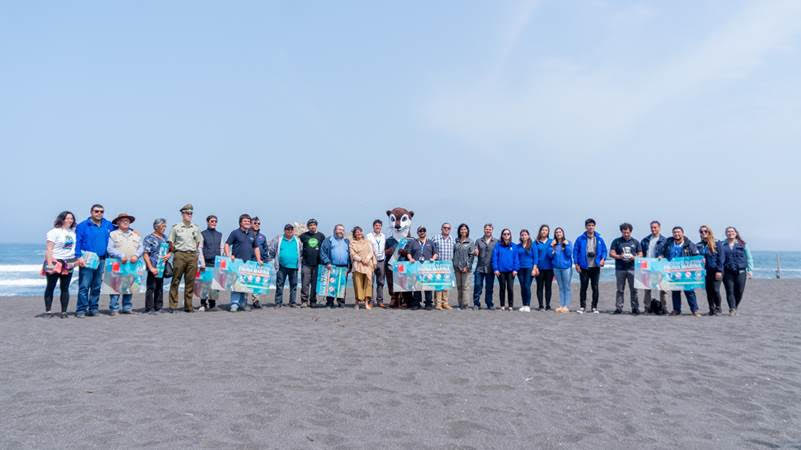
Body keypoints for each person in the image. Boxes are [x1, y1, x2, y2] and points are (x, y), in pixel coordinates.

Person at [74, 204, 115, 318]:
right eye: (96, 211)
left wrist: (133, 230)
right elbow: (77, 242)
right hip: (87, 259)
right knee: (84, 286)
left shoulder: (107, 224)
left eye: (101, 211)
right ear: (91, 212)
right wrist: (78, 257)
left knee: (97, 286)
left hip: (102, 259)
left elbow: (119, 229)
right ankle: (81, 309)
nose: (99, 213)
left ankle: (93, 308)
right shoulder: (82, 226)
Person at [43, 211, 82, 318]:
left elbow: (75, 249)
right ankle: (48, 311)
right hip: (55, 261)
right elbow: (49, 249)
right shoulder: (54, 232)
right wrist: (50, 264)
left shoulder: (73, 233)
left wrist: (75, 262)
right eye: (67, 218)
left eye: (71, 218)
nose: (70, 220)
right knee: (50, 287)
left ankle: (64, 312)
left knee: (65, 288)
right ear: (62, 219)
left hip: (68, 262)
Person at [168, 204, 204, 313]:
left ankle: (188, 306)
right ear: (182, 214)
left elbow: (198, 242)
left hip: (192, 255)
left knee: (190, 282)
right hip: (179, 255)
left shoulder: (195, 228)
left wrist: (192, 251)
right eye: (187, 213)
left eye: (191, 213)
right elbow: (171, 242)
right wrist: (177, 252)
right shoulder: (176, 227)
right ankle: (173, 306)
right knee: (176, 280)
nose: (189, 215)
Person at [106, 213, 144, 316]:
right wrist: (120, 255)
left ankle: (127, 307)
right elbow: (109, 249)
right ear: (118, 222)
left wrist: (136, 255)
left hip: (132, 263)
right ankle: (114, 309)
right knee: (115, 287)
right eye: (123, 220)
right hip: (116, 263)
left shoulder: (135, 235)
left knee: (129, 286)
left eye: (127, 220)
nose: (126, 221)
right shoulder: (113, 234)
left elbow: (141, 248)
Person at [224, 214, 263, 312]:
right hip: (236, 262)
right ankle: (234, 304)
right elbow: (227, 244)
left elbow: (256, 247)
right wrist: (229, 255)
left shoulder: (252, 234)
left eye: (249, 221)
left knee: (245, 285)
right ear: (240, 222)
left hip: (248, 263)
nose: (247, 223)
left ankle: (243, 303)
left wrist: (258, 259)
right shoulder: (235, 233)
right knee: (236, 284)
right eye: (245, 221)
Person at [661, 226, 702, 317]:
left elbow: (696, 256)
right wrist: (661, 256)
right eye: (675, 232)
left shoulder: (689, 244)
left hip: (686, 272)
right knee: (675, 291)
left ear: (682, 233)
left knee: (689, 291)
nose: (676, 234)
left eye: (678, 232)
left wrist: (700, 261)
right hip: (673, 271)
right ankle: (676, 310)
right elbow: (663, 253)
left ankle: (694, 310)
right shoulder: (668, 244)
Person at [573, 218, 607, 314]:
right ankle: (582, 307)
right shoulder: (580, 239)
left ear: (594, 226)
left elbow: (604, 251)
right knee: (583, 287)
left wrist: (603, 259)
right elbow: (575, 251)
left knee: (595, 287)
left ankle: (594, 307)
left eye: (592, 225)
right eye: (589, 225)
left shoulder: (599, 238)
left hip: (595, 267)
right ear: (586, 227)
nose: (590, 227)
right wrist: (576, 264)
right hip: (584, 267)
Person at [719, 226, 753, 316]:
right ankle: (732, 308)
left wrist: (750, 270)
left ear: (736, 233)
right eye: (728, 231)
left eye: (732, 231)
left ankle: (735, 306)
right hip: (727, 272)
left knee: (739, 291)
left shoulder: (742, 244)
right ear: (726, 234)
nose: (730, 233)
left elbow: (749, 258)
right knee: (729, 291)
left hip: (741, 271)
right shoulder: (722, 244)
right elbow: (719, 258)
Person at [610, 223, 643, 314]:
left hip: (632, 268)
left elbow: (640, 254)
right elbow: (611, 253)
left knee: (634, 290)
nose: (626, 234)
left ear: (631, 231)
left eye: (628, 232)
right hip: (620, 269)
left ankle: (635, 308)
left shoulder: (635, 242)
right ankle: (619, 308)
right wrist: (619, 256)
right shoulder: (616, 241)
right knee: (620, 290)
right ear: (621, 231)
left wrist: (634, 257)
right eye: (624, 232)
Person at [403, 226, 438, 310]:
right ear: (417, 232)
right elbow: (408, 252)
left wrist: (433, 258)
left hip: (427, 267)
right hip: (416, 267)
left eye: (423, 230)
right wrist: (410, 258)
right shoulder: (413, 242)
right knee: (416, 285)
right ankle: (416, 303)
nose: (422, 232)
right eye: (420, 231)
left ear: (426, 232)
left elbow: (436, 253)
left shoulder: (430, 242)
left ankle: (428, 303)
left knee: (428, 286)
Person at [143, 218, 171, 314]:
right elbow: (145, 254)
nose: (164, 228)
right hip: (153, 266)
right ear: (156, 226)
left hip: (162, 267)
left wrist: (169, 254)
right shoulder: (149, 238)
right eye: (163, 226)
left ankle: (158, 307)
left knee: (160, 287)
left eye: (165, 226)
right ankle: (149, 309)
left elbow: (171, 249)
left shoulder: (165, 238)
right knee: (151, 287)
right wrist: (150, 267)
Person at [640, 221, 668, 314]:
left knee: (663, 288)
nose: (653, 229)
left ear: (659, 228)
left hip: (660, 267)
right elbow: (641, 253)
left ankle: (664, 308)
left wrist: (662, 256)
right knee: (647, 289)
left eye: (655, 227)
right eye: (652, 227)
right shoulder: (645, 240)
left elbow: (668, 253)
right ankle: (647, 308)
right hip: (648, 267)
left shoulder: (665, 240)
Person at [320, 224, 351, 308]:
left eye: (342, 230)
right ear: (335, 230)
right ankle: (330, 302)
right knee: (331, 284)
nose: (341, 231)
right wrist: (327, 262)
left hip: (344, 266)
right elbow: (322, 252)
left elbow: (350, 254)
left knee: (342, 285)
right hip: (332, 266)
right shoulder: (328, 240)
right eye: (339, 229)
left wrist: (349, 266)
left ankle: (341, 302)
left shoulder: (347, 241)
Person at [274, 224, 302, 307]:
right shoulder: (279, 239)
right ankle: (278, 302)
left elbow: (301, 251)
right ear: (284, 230)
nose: (289, 231)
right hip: (281, 266)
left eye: (291, 230)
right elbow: (272, 250)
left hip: (294, 266)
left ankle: (292, 302)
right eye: (287, 229)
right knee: (279, 285)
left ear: (293, 231)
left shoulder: (297, 240)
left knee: (293, 285)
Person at [697, 225, 723, 316]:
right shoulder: (699, 245)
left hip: (716, 270)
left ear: (709, 232)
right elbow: (695, 256)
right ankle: (711, 309)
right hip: (705, 272)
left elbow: (721, 257)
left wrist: (719, 270)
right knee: (709, 291)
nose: (703, 233)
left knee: (715, 290)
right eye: (701, 231)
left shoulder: (717, 243)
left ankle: (718, 308)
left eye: (705, 231)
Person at [300, 218, 325, 308]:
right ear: (308, 227)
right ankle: (304, 301)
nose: (312, 227)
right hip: (306, 264)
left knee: (315, 284)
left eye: (314, 225)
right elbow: (299, 247)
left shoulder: (321, 236)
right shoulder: (303, 236)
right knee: (305, 283)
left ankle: (313, 301)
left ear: (316, 226)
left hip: (317, 264)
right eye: (310, 225)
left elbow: (324, 249)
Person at [350, 226, 377, 310]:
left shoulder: (368, 242)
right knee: (358, 284)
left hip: (368, 265)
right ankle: (357, 302)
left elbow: (371, 252)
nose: (359, 233)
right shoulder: (352, 243)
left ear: (362, 233)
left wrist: (367, 259)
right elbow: (352, 254)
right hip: (358, 265)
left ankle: (366, 302)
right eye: (356, 232)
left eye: (360, 232)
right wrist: (361, 260)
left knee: (368, 284)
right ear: (354, 234)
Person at [199, 215, 222, 311]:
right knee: (205, 284)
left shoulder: (219, 234)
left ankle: (212, 303)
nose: (214, 223)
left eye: (215, 221)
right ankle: (203, 304)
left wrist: (222, 262)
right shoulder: (202, 234)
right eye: (212, 221)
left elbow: (221, 248)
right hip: (206, 262)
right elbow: (199, 248)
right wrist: (202, 262)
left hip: (216, 262)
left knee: (215, 285)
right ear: (207, 222)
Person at [492, 228, 519, 311]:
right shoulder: (498, 245)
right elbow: (494, 258)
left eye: (508, 234)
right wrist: (495, 269)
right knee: (502, 288)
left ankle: (510, 306)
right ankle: (502, 306)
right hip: (501, 271)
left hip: (511, 271)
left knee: (510, 288)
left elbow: (516, 259)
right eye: (504, 234)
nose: (506, 235)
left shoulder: (514, 246)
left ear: (510, 235)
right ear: (502, 235)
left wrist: (515, 269)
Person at [472, 224, 497, 310]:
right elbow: (475, 250)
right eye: (486, 229)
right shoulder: (478, 241)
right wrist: (475, 251)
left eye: (489, 229)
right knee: (477, 286)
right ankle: (476, 303)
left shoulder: (496, 241)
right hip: (480, 268)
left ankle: (489, 303)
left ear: (492, 230)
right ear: (484, 230)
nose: (488, 230)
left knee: (489, 287)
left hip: (491, 268)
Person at [431, 222, 455, 310]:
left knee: (446, 285)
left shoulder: (453, 239)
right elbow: (431, 250)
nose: (446, 229)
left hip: (448, 265)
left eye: (448, 228)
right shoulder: (435, 238)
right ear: (441, 228)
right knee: (438, 285)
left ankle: (445, 303)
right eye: (445, 227)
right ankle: (438, 304)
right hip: (437, 264)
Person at [452, 224, 475, 310]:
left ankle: (465, 305)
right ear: (459, 231)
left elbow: (472, 256)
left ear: (467, 231)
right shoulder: (456, 241)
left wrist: (467, 267)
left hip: (466, 268)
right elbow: (454, 254)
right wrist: (454, 264)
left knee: (465, 287)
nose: (463, 231)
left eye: (465, 229)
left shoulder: (470, 242)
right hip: (457, 268)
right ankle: (460, 304)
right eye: (461, 229)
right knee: (459, 287)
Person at [551, 227, 573, 313]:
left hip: (566, 268)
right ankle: (561, 305)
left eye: (560, 232)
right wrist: (552, 246)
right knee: (560, 287)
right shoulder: (554, 244)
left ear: (563, 233)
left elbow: (569, 254)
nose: (558, 233)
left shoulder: (568, 242)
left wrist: (566, 245)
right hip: (556, 268)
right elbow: (550, 255)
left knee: (566, 287)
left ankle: (566, 306)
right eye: (556, 232)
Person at [515, 229, 538, 312]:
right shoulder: (518, 246)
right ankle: (523, 305)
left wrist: (534, 269)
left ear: (528, 236)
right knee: (522, 286)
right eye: (522, 235)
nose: (524, 236)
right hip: (520, 269)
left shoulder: (533, 245)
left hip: (529, 268)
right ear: (520, 236)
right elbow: (516, 258)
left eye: (525, 234)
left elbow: (536, 258)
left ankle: (527, 305)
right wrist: (516, 269)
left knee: (527, 286)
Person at [250, 217, 270, 309]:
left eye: (259, 223)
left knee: (257, 283)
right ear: (251, 223)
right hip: (249, 262)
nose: (257, 224)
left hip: (260, 262)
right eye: (255, 223)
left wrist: (266, 261)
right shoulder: (247, 234)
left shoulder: (262, 236)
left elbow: (265, 249)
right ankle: (244, 300)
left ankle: (256, 300)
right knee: (248, 282)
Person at [366, 219, 387, 308]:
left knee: (381, 282)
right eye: (376, 225)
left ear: (381, 227)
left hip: (381, 261)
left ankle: (380, 301)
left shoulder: (383, 236)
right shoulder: (368, 236)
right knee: (370, 282)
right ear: (373, 226)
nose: (378, 227)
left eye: (379, 226)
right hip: (371, 261)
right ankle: (370, 301)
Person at [533, 225, 554, 311]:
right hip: (539, 268)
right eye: (543, 230)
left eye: (546, 230)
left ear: (548, 232)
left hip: (550, 268)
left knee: (548, 287)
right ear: (540, 231)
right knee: (539, 287)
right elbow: (535, 256)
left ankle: (548, 305)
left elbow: (554, 254)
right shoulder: (536, 242)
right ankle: (541, 305)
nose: (544, 231)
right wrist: (535, 267)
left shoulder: (552, 241)